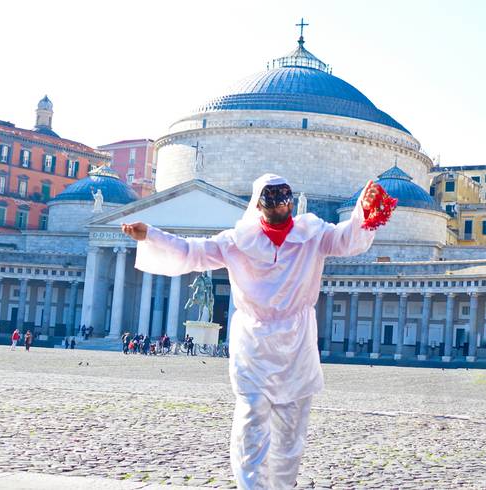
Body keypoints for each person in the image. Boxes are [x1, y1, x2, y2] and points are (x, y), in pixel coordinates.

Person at [123, 173, 386, 489]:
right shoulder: (237, 241)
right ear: (259, 204)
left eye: (284, 198)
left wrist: (364, 217)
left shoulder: (313, 233)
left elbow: (346, 239)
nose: (279, 205)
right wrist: (151, 234)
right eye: (272, 200)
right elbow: (192, 251)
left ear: (291, 200)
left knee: (291, 431)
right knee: (250, 424)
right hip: (253, 343)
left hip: (297, 344)